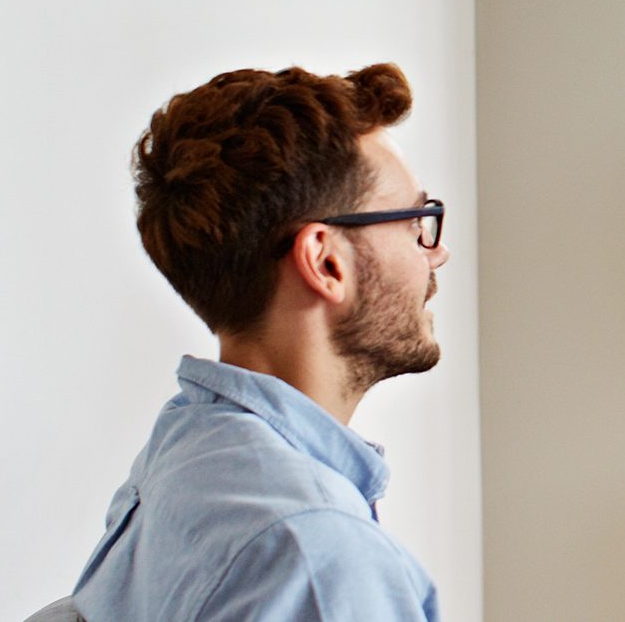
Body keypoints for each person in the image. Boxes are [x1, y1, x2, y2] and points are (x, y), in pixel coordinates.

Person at [71, 64, 451, 621]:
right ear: (326, 261)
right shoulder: (319, 555)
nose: (436, 252)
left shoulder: (183, 457)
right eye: (416, 221)